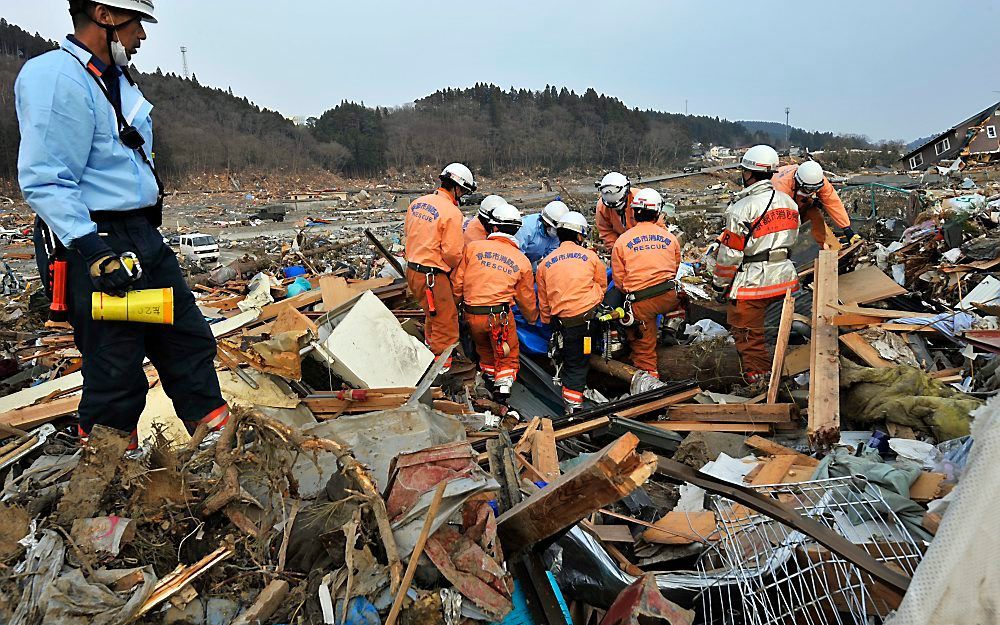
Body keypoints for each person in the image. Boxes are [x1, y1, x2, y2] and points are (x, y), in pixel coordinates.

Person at [16, 0, 229, 451]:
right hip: (94, 240)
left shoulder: (112, 79)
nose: (143, 37)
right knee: (115, 368)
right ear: (105, 15)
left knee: (187, 343)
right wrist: (92, 250)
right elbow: (45, 178)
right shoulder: (57, 76)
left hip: (140, 236)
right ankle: (112, 478)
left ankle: (219, 452)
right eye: (137, 24)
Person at [712, 145, 800, 384]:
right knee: (782, 329)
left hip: (754, 279)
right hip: (786, 277)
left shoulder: (741, 208)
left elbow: (730, 254)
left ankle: (759, 381)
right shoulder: (790, 203)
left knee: (747, 333)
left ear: (748, 173)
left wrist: (720, 285)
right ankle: (792, 368)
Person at [453, 204, 538, 405]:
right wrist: (533, 319)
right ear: (516, 229)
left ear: (492, 227)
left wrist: (454, 306)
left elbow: (458, 283)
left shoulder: (472, 249)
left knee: (485, 349)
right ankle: (503, 392)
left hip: (472, 315)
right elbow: (525, 300)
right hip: (499, 318)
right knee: (506, 353)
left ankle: (490, 380)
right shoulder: (521, 260)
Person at [404, 162, 476, 372]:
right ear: (458, 188)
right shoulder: (452, 213)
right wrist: (458, 270)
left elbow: (409, 234)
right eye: (463, 191)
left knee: (432, 316)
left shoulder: (417, 203)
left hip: (413, 271)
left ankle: (429, 351)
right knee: (446, 323)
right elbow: (452, 253)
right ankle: (441, 371)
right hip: (432, 277)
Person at [536, 212, 607, 411]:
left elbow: (544, 303)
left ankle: (577, 392)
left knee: (575, 358)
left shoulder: (544, 264)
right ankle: (574, 407)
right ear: (579, 236)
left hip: (567, 326)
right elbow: (602, 288)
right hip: (586, 325)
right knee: (577, 363)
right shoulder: (591, 257)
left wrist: (548, 324)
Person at [610, 189, 682, 377]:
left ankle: (650, 381)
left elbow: (619, 281)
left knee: (644, 351)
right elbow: (674, 269)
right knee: (680, 297)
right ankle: (671, 324)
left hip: (641, 303)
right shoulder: (670, 238)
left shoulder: (622, 241)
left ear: (633, 212)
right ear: (657, 212)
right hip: (668, 296)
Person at [772, 160, 857, 246]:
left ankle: (820, 247)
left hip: (802, 200)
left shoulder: (819, 179)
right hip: (781, 206)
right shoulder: (781, 188)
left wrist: (847, 229)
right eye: (809, 189)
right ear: (799, 183)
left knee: (816, 218)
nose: (813, 191)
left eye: (815, 189)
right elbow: (779, 219)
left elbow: (833, 203)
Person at [515, 200, 569, 266]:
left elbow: (552, 258)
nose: (557, 233)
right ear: (546, 222)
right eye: (556, 229)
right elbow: (517, 257)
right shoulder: (526, 228)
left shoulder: (555, 236)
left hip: (532, 260)